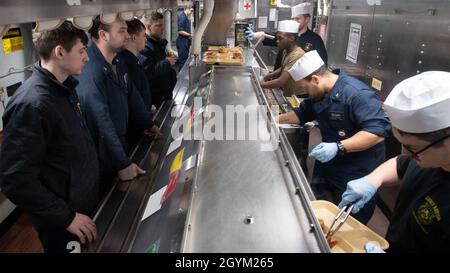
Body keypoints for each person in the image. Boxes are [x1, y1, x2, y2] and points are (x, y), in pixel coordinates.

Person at [0, 21, 99, 252]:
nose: (87, 57)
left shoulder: (64, 89)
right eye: (81, 51)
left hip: (82, 207)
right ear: (60, 52)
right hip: (64, 222)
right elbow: (15, 179)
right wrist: (66, 217)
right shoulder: (32, 104)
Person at [338, 71, 450, 252]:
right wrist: (373, 180)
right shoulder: (429, 158)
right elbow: (401, 165)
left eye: (412, 147)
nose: (404, 153)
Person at [277, 50, 391, 223]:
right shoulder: (319, 93)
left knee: (347, 224)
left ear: (315, 79)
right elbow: (301, 114)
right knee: (320, 216)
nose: (306, 92)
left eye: (304, 87)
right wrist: (269, 119)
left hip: (355, 172)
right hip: (327, 167)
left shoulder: (357, 94)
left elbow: (376, 133)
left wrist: (338, 147)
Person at [76, 15, 158, 195]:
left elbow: (132, 95)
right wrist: (122, 163)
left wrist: (148, 123)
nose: (127, 36)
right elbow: (101, 121)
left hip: (120, 143)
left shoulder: (117, 61)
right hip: (103, 152)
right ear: (103, 35)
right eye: (122, 31)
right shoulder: (92, 71)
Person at [245, 2, 328, 70]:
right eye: (293, 19)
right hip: (279, 78)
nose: (294, 22)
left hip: (299, 84)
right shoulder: (287, 34)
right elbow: (270, 36)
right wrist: (255, 35)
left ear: (307, 19)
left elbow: (322, 64)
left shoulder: (315, 39)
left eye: (297, 18)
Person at [118, 18, 160, 149]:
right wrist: (144, 123)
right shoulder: (127, 63)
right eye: (143, 36)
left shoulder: (133, 61)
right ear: (134, 37)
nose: (146, 39)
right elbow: (132, 98)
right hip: (134, 128)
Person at [140, 11, 177, 108]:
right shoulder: (145, 47)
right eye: (159, 26)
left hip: (164, 96)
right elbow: (148, 73)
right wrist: (167, 62)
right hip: (155, 100)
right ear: (148, 27)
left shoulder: (156, 43)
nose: (163, 29)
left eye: (163, 25)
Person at [260, 20, 305, 97]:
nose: (277, 41)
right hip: (289, 93)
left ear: (291, 38)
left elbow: (281, 81)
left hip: (298, 97)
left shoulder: (297, 55)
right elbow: (284, 67)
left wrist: (260, 85)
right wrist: (267, 76)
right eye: (277, 38)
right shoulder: (286, 51)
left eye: (280, 39)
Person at [176, 4, 194, 69]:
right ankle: (180, 78)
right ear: (188, 8)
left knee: (185, 60)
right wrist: (190, 35)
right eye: (191, 11)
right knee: (183, 61)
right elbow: (180, 31)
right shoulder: (182, 17)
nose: (191, 13)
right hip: (182, 43)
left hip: (185, 42)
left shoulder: (186, 17)